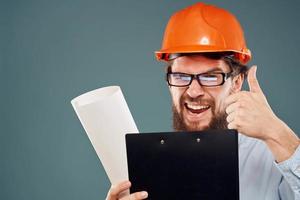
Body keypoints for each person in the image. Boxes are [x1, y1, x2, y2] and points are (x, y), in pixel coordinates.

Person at [106, 2, 300, 200]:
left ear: (236, 82)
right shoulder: (147, 168)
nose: (194, 91)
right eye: (181, 76)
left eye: (210, 77)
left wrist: (277, 133)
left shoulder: (272, 156)